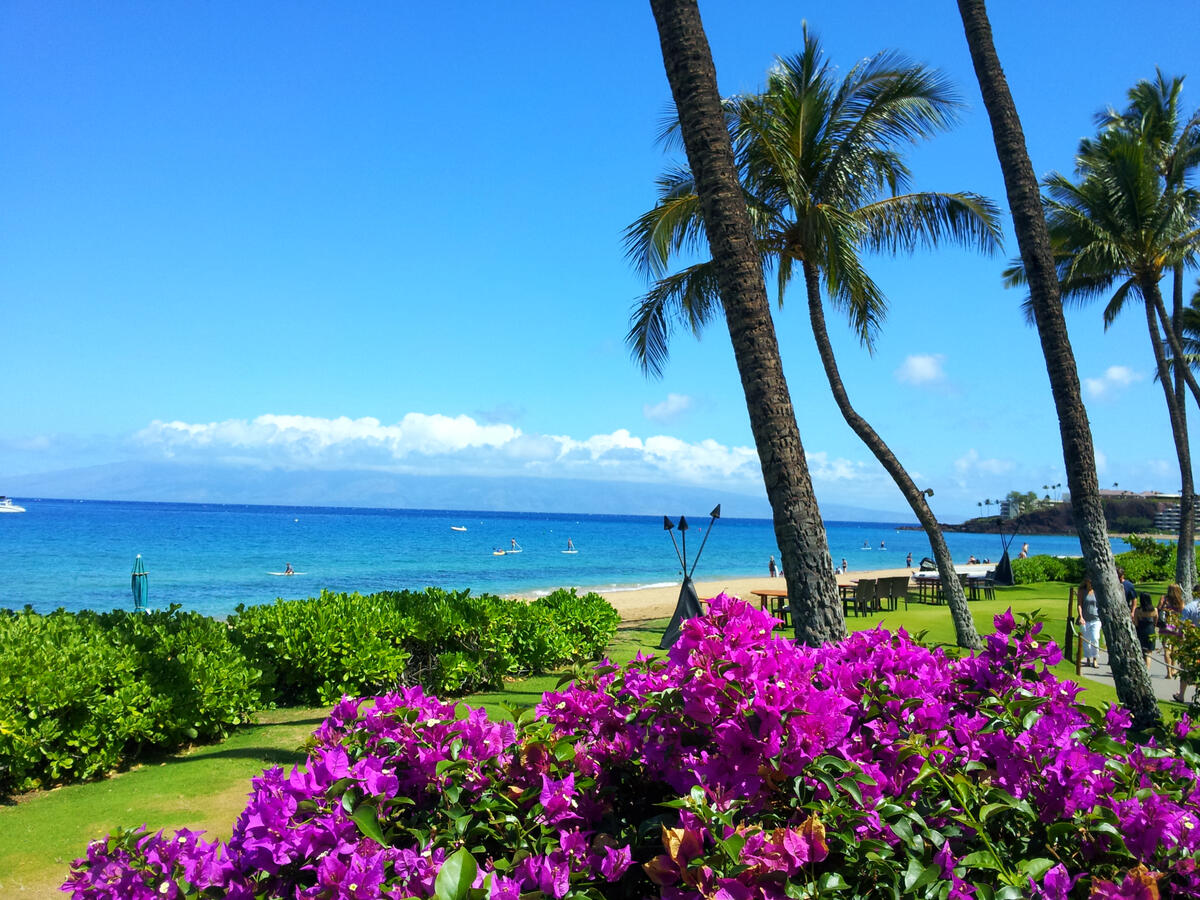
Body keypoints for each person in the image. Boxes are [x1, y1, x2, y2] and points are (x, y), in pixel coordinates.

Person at [1174, 593, 1200, 703]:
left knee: (1185, 670)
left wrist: (1180, 645)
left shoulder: (1190, 607)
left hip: (1191, 643)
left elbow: (1182, 627)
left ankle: (1181, 695)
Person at [1158, 584, 1185, 678]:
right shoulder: (1180, 601)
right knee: (1175, 649)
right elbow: (1183, 613)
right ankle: (1173, 668)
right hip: (1176, 626)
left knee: (1167, 649)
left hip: (1165, 626)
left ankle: (1169, 672)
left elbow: (1158, 609)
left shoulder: (1164, 599)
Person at [1076, 576, 1101, 667]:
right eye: (1089, 582)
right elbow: (1079, 604)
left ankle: (1095, 658)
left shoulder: (1097, 591)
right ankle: (1088, 659)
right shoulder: (1082, 591)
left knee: (1095, 638)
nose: (1090, 584)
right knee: (1086, 641)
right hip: (1085, 620)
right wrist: (1081, 617)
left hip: (1096, 619)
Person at [1132, 592, 1157, 668]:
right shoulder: (1154, 610)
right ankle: (1147, 668)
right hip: (1151, 631)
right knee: (1149, 652)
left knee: (1142, 651)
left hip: (1141, 631)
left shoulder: (1138, 610)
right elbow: (1155, 621)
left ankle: (1143, 668)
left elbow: (1136, 623)